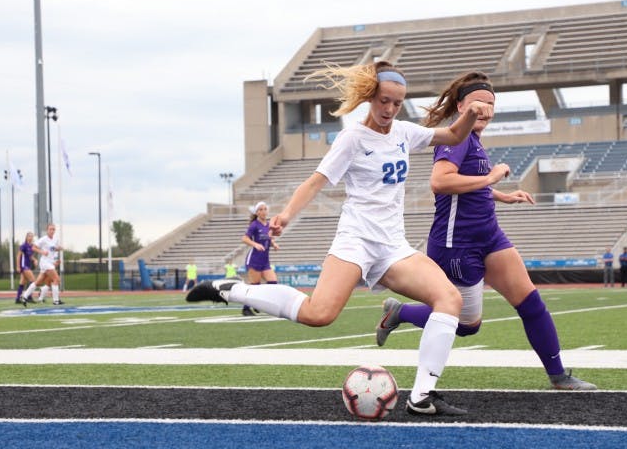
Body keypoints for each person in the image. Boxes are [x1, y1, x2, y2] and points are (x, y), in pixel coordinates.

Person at [187, 59, 494, 416]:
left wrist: (471, 113)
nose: (390, 109)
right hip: (356, 240)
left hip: (393, 246)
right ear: (369, 96)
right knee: (319, 314)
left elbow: (455, 135)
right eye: (384, 101)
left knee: (449, 300)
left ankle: (422, 396)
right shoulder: (352, 139)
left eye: (397, 103)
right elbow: (315, 181)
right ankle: (231, 290)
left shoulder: (405, 133)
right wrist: (286, 214)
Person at [374, 70, 595, 391]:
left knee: (530, 302)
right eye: (479, 101)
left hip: (490, 235)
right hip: (457, 244)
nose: (486, 108)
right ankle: (401, 312)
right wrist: (491, 178)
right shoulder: (457, 137)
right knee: (467, 325)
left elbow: (471, 184)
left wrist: (502, 194)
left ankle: (559, 375)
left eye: (491, 103)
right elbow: (440, 182)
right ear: (462, 105)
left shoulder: (474, 140)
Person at [240, 201, 279, 316]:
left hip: (265, 261)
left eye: (265, 209)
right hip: (254, 259)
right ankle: (246, 308)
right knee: (255, 286)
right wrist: (255, 244)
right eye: (260, 209)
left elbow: (268, 238)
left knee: (273, 282)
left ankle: (259, 304)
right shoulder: (254, 225)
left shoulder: (268, 225)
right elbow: (244, 238)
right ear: (256, 212)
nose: (263, 211)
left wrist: (273, 244)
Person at [20, 223, 64, 306]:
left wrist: (59, 249)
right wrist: (42, 252)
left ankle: (24, 296)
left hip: (50, 262)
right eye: (50, 229)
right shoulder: (44, 239)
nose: (52, 231)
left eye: (53, 229)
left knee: (38, 282)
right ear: (47, 230)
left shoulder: (55, 239)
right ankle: (56, 301)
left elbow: (53, 249)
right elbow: (33, 247)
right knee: (56, 279)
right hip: (45, 263)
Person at [14, 231, 36, 304]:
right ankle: (28, 297)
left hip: (28, 266)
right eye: (29, 236)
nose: (30, 237)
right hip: (24, 266)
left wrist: (34, 260)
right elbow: (18, 256)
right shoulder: (23, 245)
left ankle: (17, 298)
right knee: (33, 281)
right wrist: (18, 266)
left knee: (22, 283)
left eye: (32, 236)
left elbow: (30, 256)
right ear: (26, 237)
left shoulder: (31, 246)